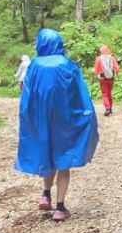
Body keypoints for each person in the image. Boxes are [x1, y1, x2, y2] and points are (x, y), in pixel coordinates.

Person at [16, 29, 98, 222]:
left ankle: (46, 193)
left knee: (48, 155)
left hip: (41, 121)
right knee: (63, 161)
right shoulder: (67, 65)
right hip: (65, 121)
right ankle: (60, 207)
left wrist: (28, 118)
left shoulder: (34, 65)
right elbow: (80, 93)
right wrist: (87, 114)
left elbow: (26, 95)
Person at [92, 45, 120, 116]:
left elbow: (96, 71)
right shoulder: (112, 58)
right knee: (109, 93)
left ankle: (107, 108)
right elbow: (117, 68)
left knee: (105, 94)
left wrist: (93, 72)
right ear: (108, 50)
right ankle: (110, 108)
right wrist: (117, 73)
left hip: (102, 79)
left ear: (101, 51)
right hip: (111, 78)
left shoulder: (98, 59)